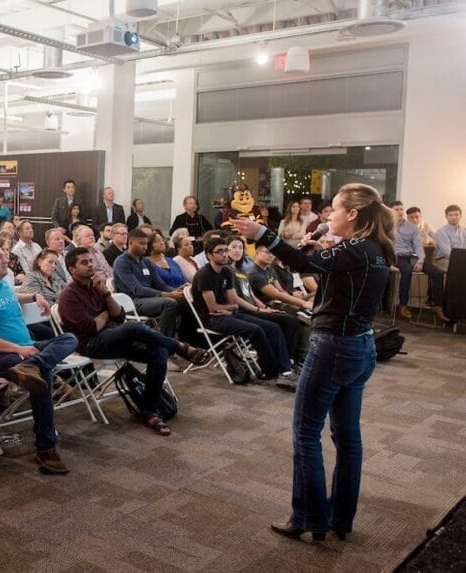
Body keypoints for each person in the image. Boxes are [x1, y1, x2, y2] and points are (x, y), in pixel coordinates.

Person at [231, 183, 394, 542]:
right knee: (348, 438)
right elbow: (326, 267)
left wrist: (264, 235)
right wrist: (319, 248)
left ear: (352, 214)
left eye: (334, 210)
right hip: (361, 345)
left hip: (334, 346)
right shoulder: (375, 249)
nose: (328, 217)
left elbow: (304, 264)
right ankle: (340, 518)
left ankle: (309, 517)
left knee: (306, 432)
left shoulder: (354, 248)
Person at [59, 247, 208, 434]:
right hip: (92, 344)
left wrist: (105, 294)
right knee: (132, 327)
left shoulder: (97, 287)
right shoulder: (68, 296)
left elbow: (119, 316)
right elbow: (92, 328)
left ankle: (150, 411)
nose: (90, 265)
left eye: (91, 261)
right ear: (72, 269)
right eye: (84, 263)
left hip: (114, 338)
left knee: (159, 352)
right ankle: (180, 347)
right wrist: (107, 314)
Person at [0, 243, 77, 474]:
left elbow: (12, 297)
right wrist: (16, 349)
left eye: (5, 256)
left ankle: (31, 366)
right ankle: (46, 448)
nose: (6, 260)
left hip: (26, 349)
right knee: (43, 372)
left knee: (69, 338)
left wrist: (34, 295)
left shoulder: (3, 285)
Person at [190, 237, 294, 384]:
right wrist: (230, 308)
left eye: (225, 250)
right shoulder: (204, 274)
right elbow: (213, 308)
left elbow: (233, 302)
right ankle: (269, 371)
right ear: (209, 255)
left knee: (273, 327)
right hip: (212, 319)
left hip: (229, 314)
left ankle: (285, 370)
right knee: (255, 330)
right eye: (219, 251)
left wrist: (230, 308)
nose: (224, 254)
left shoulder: (226, 272)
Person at [112, 229, 182, 337]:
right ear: (130, 243)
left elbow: (161, 285)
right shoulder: (121, 262)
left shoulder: (146, 262)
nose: (145, 247)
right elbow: (137, 289)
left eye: (146, 243)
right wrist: (167, 295)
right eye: (141, 243)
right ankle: (163, 341)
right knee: (169, 303)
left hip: (149, 299)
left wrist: (177, 291)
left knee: (184, 301)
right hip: (132, 301)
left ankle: (187, 339)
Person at [391, 201, 448, 322]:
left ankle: (437, 306)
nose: (399, 212)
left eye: (401, 209)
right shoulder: (388, 225)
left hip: (413, 257)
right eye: (396, 209)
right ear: (391, 212)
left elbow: (419, 245)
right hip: (398, 257)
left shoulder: (411, 227)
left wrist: (421, 260)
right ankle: (403, 305)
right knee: (407, 271)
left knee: (437, 273)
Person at [433, 204, 466, 271]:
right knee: (460, 267)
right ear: (446, 217)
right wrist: (463, 260)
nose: (454, 217)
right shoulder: (441, 232)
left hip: (465, 259)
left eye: (456, 214)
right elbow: (447, 252)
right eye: (451, 215)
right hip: (444, 259)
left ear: (460, 216)